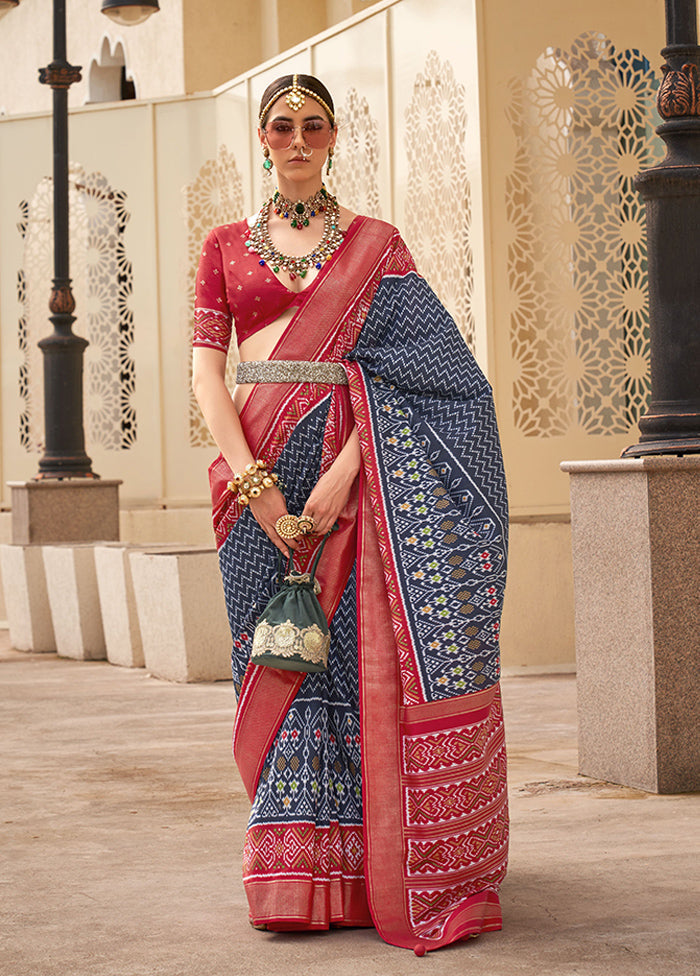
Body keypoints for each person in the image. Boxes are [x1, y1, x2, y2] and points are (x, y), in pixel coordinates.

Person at [192, 73, 509, 954]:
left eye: (314, 126)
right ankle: (294, 878)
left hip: (349, 470)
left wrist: (338, 479)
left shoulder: (376, 246)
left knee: (349, 667)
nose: (298, 140)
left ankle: (370, 870)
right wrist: (259, 488)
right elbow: (204, 375)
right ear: (263, 137)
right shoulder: (223, 247)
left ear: (334, 138)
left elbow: (440, 382)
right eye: (283, 126)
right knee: (275, 659)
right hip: (250, 476)